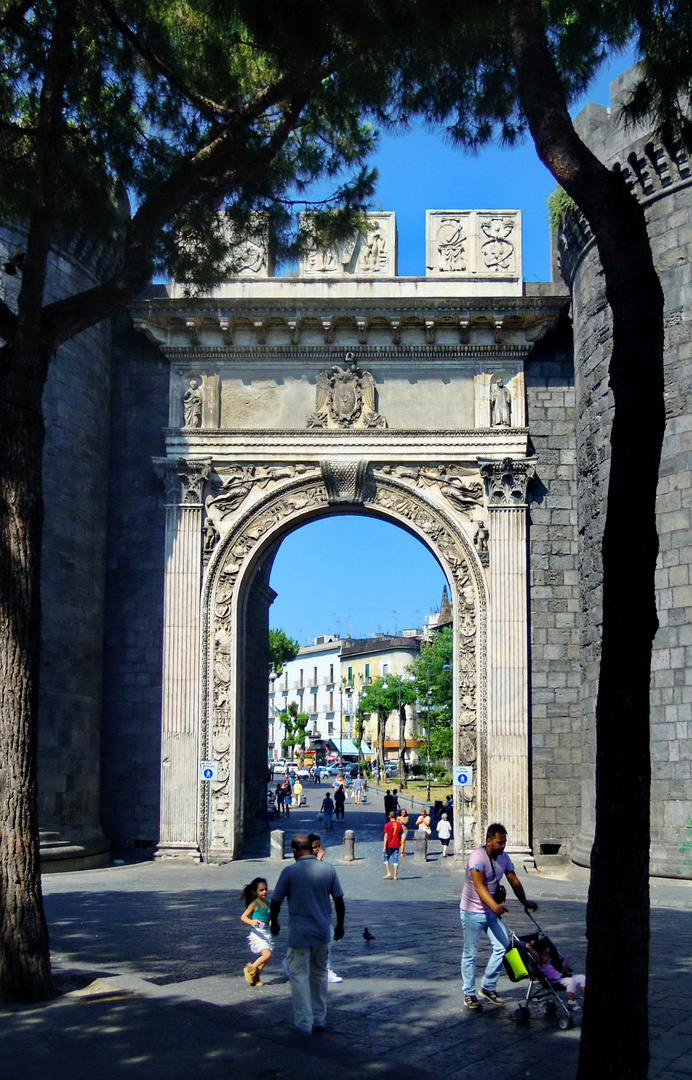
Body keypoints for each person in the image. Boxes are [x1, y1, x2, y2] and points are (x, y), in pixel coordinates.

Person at [270, 835, 345, 1034]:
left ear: (295, 851)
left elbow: (276, 900)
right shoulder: (328, 869)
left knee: (299, 977)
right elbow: (339, 899)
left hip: (299, 933)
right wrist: (340, 925)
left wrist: (274, 922)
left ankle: (304, 1022)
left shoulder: (289, 872)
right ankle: (319, 1019)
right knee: (320, 974)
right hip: (322, 931)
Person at [460, 823, 538, 1010]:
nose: (503, 846)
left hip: (490, 911)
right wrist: (495, 906)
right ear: (489, 841)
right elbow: (479, 887)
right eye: (499, 842)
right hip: (472, 911)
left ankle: (487, 986)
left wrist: (524, 901)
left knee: (503, 945)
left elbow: (513, 880)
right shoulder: (477, 858)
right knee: (470, 953)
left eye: (504, 842)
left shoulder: (504, 858)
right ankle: (469, 993)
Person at [308, 834, 343, 984]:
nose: (317, 850)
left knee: (325, 940)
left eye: (318, 846)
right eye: (314, 847)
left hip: (322, 911)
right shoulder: (305, 865)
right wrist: (319, 860)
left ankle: (326, 969)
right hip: (309, 911)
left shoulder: (323, 867)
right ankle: (324, 970)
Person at [532, 940, 585, 1010]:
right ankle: (572, 1003)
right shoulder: (540, 964)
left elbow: (559, 973)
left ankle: (585, 999)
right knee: (570, 981)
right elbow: (535, 955)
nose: (548, 957)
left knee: (582, 977)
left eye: (548, 954)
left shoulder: (549, 963)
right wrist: (530, 949)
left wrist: (564, 968)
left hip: (561, 977)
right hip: (553, 981)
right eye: (545, 955)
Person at [240, 877, 273, 986]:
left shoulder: (267, 903)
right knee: (266, 954)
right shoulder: (254, 904)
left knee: (267, 958)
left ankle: (256, 976)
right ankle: (251, 969)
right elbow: (243, 917)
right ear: (255, 892)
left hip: (266, 932)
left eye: (265, 889)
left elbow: (268, 918)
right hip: (257, 933)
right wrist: (252, 921)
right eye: (261, 890)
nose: (264, 892)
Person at [382, 810, 404, 880]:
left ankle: (388, 873)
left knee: (386, 858)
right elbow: (400, 834)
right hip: (396, 845)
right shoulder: (399, 825)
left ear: (389, 816)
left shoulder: (387, 825)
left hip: (389, 845)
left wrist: (384, 846)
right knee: (395, 860)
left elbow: (386, 836)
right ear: (395, 816)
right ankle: (395, 875)